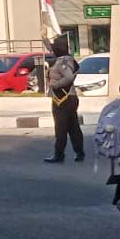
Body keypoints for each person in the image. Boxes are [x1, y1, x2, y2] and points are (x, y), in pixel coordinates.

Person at [44, 35, 85, 163]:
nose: (52, 49)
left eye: (55, 46)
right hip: (68, 99)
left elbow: (68, 77)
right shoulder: (65, 58)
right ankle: (79, 153)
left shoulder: (63, 62)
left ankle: (59, 154)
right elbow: (50, 48)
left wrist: (55, 84)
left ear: (59, 49)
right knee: (73, 127)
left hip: (63, 100)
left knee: (61, 128)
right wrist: (44, 37)